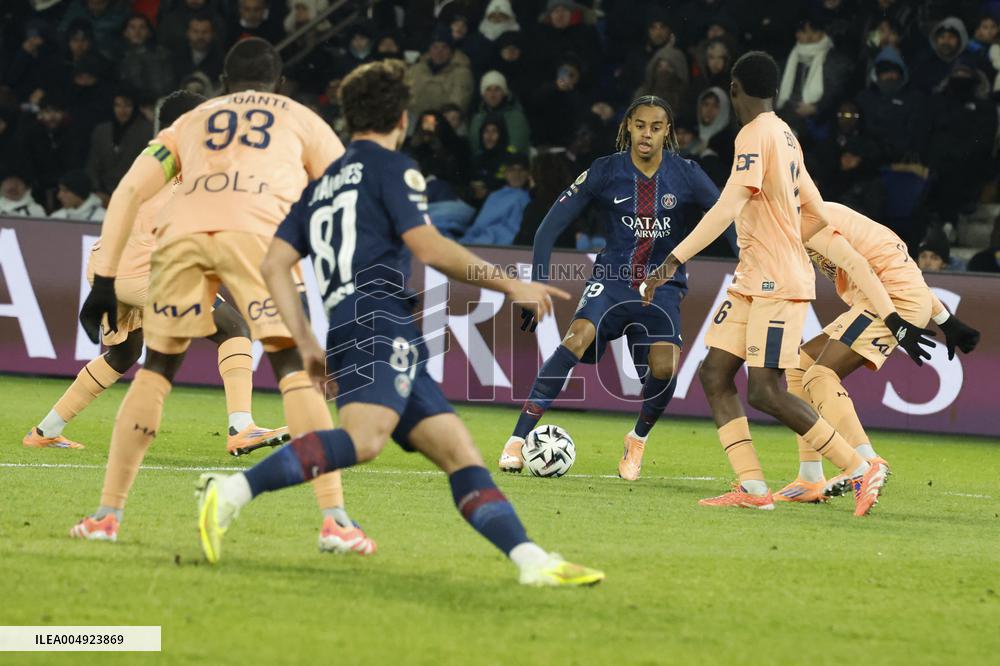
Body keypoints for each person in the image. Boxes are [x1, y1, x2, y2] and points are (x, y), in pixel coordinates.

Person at [194, 59, 604, 587]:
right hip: (379, 319)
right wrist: (512, 284)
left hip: (354, 324)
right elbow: (429, 247)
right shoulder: (394, 168)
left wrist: (305, 340)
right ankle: (230, 492)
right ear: (402, 118)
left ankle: (532, 561)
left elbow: (274, 264)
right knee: (363, 440)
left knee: (459, 453)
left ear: (350, 116)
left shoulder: (322, 184)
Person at [75, 39, 373, 555]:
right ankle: (335, 520)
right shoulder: (300, 118)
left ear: (223, 83)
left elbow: (128, 191)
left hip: (183, 240)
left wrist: (104, 282)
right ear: (279, 83)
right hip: (258, 239)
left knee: (156, 372)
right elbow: (344, 196)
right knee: (293, 371)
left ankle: (107, 516)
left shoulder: (191, 122)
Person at [640, 52, 933, 515]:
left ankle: (859, 467)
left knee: (764, 389)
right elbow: (812, 206)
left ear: (734, 89)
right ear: (774, 90)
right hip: (752, 278)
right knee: (714, 373)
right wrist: (790, 232)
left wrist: (673, 259)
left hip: (775, 281)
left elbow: (727, 207)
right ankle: (753, 488)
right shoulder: (787, 136)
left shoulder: (754, 134)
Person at [28, 90, 288, 459]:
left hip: (108, 267)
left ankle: (46, 430)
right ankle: (241, 427)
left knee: (124, 353)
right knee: (233, 328)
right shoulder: (188, 158)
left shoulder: (153, 159)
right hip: (144, 271)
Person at [499, 95, 737, 481]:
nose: (646, 134)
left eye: (656, 127)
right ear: (628, 126)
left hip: (662, 288)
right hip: (610, 282)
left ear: (667, 132)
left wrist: (746, 261)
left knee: (665, 369)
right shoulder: (605, 171)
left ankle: (637, 439)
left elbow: (727, 216)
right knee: (576, 339)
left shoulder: (687, 174)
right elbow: (547, 230)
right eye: (640, 125)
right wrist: (537, 284)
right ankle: (515, 441)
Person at [775, 202, 980, 502]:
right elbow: (902, 271)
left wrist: (894, 320)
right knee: (799, 365)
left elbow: (861, 267)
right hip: (892, 298)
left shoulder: (808, 221)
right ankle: (810, 477)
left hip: (890, 303)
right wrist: (946, 320)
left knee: (820, 374)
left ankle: (866, 462)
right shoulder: (823, 216)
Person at [86, 89, 153, 205]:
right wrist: (96, 191)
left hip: (134, 195)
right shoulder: (102, 131)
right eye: (118, 105)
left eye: (127, 106)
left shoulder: (147, 131)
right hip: (102, 195)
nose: (122, 110)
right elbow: (93, 164)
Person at [461, 151, 530, 245]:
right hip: (477, 242)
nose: (516, 174)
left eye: (521, 170)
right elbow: (478, 226)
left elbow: (513, 232)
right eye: (512, 169)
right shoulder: (495, 196)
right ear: (505, 173)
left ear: (528, 173)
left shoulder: (528, 198)